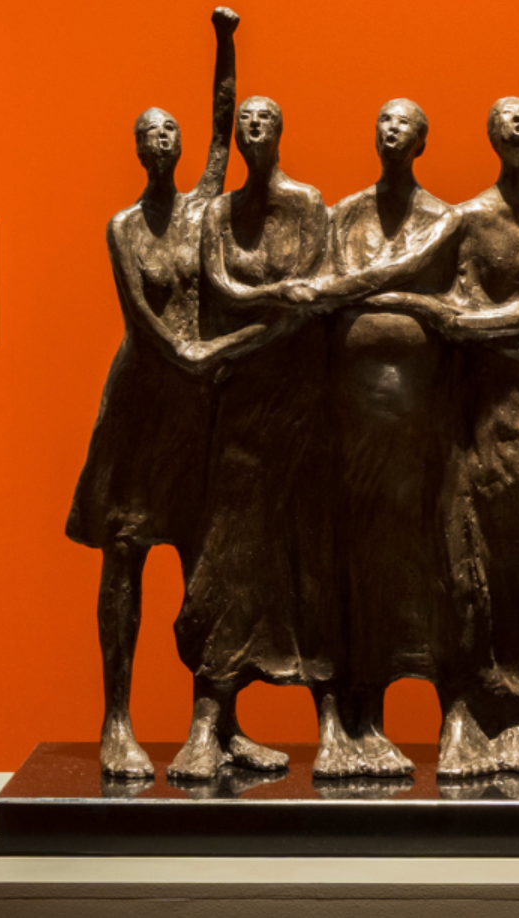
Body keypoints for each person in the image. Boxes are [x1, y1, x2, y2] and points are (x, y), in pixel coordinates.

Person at [66, 8, 271, 778]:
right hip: (144, 405)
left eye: (168, 132)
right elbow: (148, 326)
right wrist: (205, 352)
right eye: (147, 133)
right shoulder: (124, 227)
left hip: (199, 406)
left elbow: (224, 122)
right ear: (137, 148)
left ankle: (217, 723)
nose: (160, 140)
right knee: (126, 554)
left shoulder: (201, 205)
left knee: (206, 559)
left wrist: (225, 42)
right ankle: (116, 719)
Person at [383, 97, 519, 777]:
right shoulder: (470, 217)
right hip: (482, 410)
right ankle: (490, 714)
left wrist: (466, 324)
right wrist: (440, 315)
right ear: (490, 135)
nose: (516, 125)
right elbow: (454, 300)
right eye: (504, 117)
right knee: (480, 562)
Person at [170, 95, 337, 780]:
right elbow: (220, 288)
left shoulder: (308, 204)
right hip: (240, 399)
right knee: (227, 555)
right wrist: (274, 304)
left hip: (301, 399)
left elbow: (318, 294)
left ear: (281, 130)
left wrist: (276, 312)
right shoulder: (218, 214)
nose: (253, 128)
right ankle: (209, 723)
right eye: (244, 121)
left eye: (264, 119)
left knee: (310, 553)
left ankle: (335, 725)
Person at [319, 98, 464, 777]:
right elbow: (327, 294)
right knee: (359, 563)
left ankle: (452, 716)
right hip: (352, 418)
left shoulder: (444, 219)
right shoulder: (344, 216)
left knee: (431, 560)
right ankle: (359, 718)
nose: (392, 130)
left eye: (404, 123)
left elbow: (455, 309)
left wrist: (381, 299)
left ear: (422, 141)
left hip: (422, 419)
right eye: (383, 120)